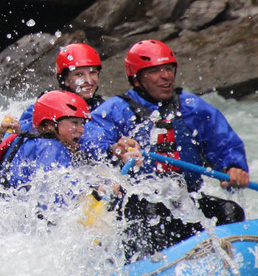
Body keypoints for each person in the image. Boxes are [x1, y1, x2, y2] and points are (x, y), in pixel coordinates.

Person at [81, 39, 249, 253]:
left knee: (230, 212)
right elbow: (90, 140)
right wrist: (116, 149)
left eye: (169, 69)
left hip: (186, 201)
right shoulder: (116, 110)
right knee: (153, 212)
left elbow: (224, 143)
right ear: (137, 79)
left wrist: (233, 167)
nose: (166, 76)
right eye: (155, 71)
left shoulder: (193, 108)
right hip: (136, 205)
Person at [0, 90, 100, 212]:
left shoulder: (21, 140)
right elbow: (52, 199)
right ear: (50, 124)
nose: (81, 130)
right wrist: (96, 193)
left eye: (82, 124)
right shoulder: (53, 148)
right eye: (74, 123)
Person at [16, 42, 106, 136]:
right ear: (65, 80)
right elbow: (22, 133)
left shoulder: (104, 109)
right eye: (79, 74)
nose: (88, 80)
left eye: (93, 73)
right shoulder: (46, 105)